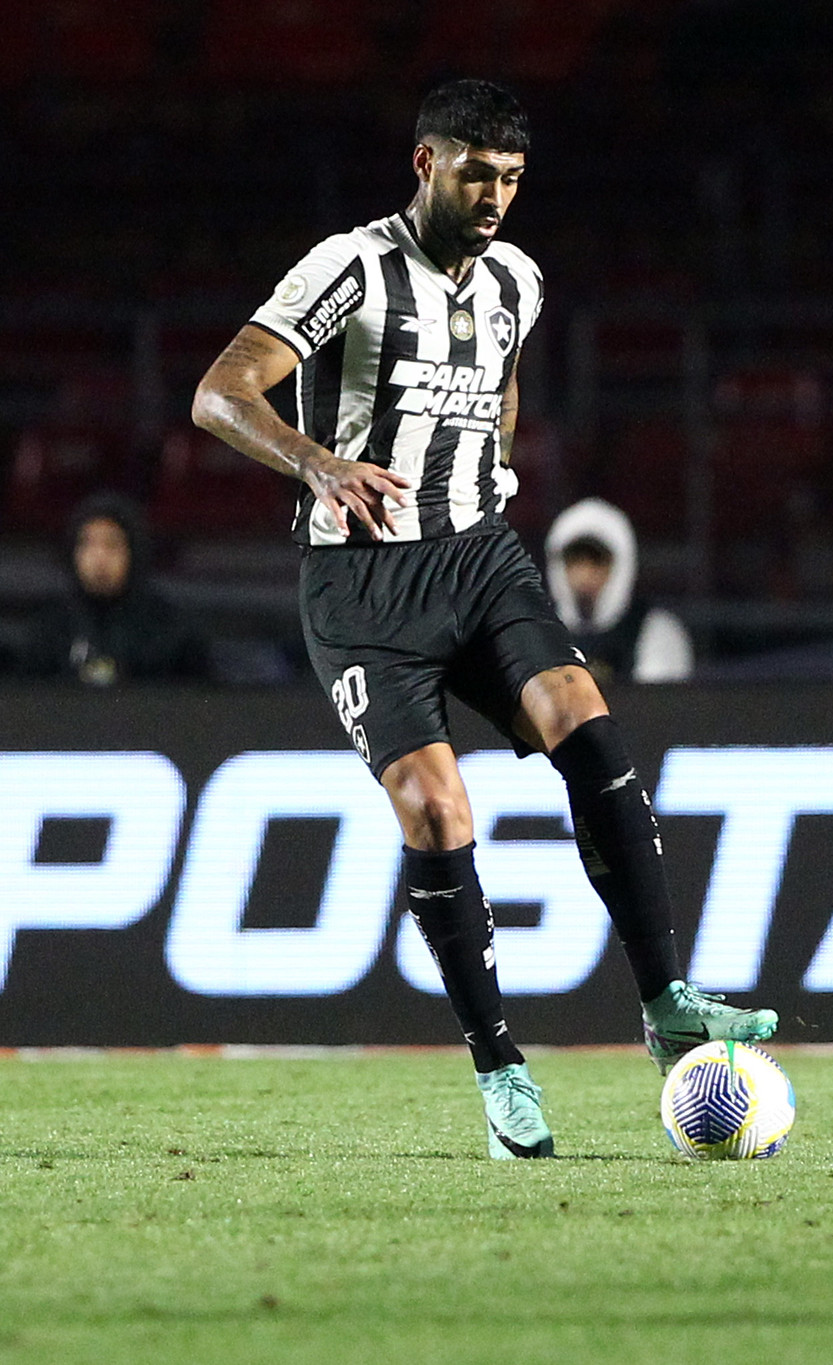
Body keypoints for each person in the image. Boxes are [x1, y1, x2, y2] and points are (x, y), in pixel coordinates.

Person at [189, 79, 775, 1161]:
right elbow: (221, 394)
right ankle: (502, 1071)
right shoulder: (350, 268)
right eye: (476, 173)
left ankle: (666, 1004)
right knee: (434, 809)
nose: (495, 195)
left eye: (510, 177)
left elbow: (499, 387)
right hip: (361, 584)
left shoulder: (517, 280)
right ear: (425, 164)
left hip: (478, 557)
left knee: (585, 722)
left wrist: (486, 469)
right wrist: (317, 463)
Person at [19, 495, 207, 685]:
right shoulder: (50, 626)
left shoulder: (171, 628)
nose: (99, 558)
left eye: (112, 544)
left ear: (133, 552)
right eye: (87, 543)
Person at [544, 497, 693, 684]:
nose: (585, 574)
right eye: (575, 561)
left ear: (621, 565)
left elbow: (658, 708)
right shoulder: (534, 633)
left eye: (597, 562)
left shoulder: (656, 633)